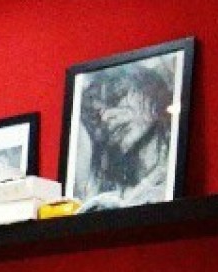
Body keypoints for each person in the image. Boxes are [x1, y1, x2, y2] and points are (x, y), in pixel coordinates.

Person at [74, 58, 176, 210]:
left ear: (149, 90)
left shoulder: (171, 176)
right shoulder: (113, 194)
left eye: (115, 98)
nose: (105, 117)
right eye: (95, 117)